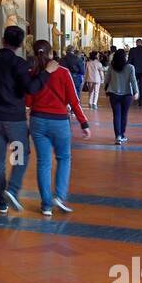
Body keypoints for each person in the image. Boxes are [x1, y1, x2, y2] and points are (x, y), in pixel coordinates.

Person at [0, 25, 50, 213]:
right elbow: (31, 89)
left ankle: (1, 202)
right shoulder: (19, 64)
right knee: (19, 157)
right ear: (21, 44)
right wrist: (46, 73)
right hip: (14, 122)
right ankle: (11, 190)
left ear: (3, 40)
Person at [26, 39, 91, 215]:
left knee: (43, 162)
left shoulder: (33, 73)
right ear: (51, 53)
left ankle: (46, 205)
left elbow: (28, 100)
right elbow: (73, 100)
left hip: (37, 121)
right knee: (63, 158)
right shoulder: (63, 72)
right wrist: (83, 122)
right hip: (59, 122)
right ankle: (59, 196)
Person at [104, 48, 139, 144]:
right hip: (127, 94)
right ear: (124, 57)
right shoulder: (130, 67)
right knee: (124, 115)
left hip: (114, 94)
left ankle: (117, 136)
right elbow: (133, 80)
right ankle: (122, 134)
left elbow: (107, 79)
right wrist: (136, 92)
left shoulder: (112, 66)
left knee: (116, 115)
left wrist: (105, 88)